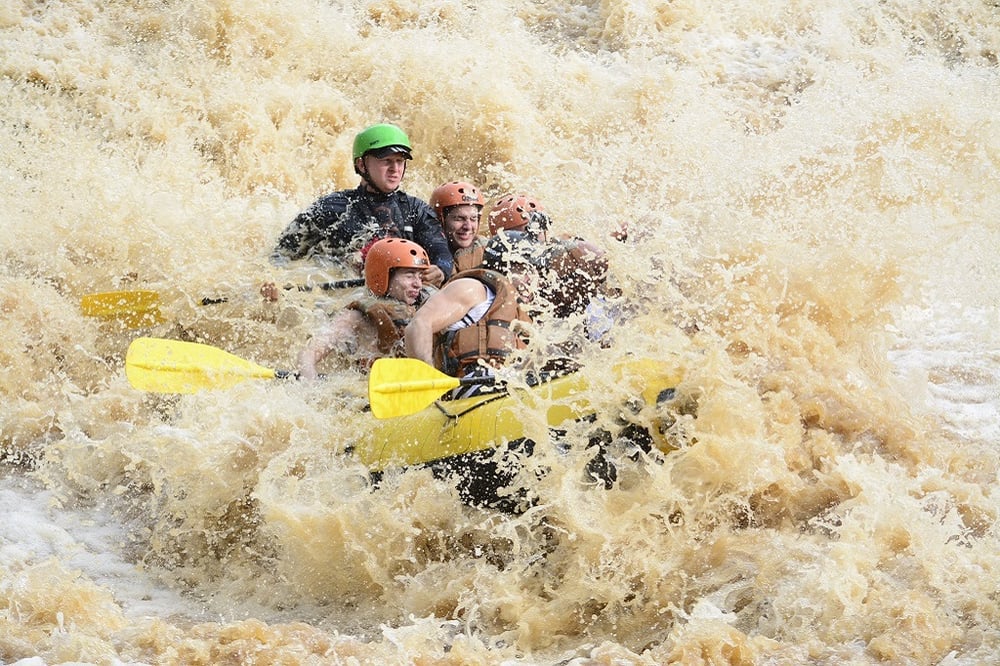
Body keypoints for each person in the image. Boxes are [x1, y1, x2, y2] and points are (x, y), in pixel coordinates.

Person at [271, 123, 453, 287]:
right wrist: (274, 283)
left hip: (401, 296)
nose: (395, 169)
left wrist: (441, 270)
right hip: (347, 295)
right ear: (362, 164)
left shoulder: (416, 209)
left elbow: (440, 250)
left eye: (400, 161)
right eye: (386, 161)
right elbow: (281, 255)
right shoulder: (331, 208)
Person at [404, 232, 540, 398]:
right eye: (524, 270)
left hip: (510, 380)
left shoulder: (521, 312)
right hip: (473, 382)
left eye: (534, 271)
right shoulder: (473, 289)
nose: (531, 279)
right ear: (504, 266)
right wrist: (427, 383)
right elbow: (418, 325)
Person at [298, 238, 432, 378]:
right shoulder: (356, 316)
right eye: (409, 275)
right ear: (383, 276)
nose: (418, 284)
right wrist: (309, 376)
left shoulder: (426, 309)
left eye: (420, 277)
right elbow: (308, 353)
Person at [487, 194, 610, 319]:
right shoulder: (500, 268)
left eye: (534, 231)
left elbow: (615, 285)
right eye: (519, 235)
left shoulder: (577, 253)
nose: (529, 240)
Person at [428, 180, 488, 273]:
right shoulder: (427, 252)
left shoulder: (487, 248)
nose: (468, 227)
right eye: (459, 218)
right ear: (440, 219)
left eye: (473, 218)